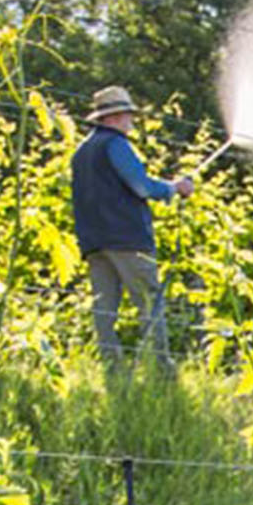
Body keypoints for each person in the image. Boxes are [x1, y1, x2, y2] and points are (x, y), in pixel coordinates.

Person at [70, 85, 194, 366]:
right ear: (113, 117)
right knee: (150, 304)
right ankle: (160, 371)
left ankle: (112, 370)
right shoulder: (115, 144)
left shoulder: (82, 152)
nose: (131, 121)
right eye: (127, 115)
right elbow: (140, 186)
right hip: (127, 240)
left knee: (104, 311)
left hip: (93, 243)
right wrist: (174, 188)